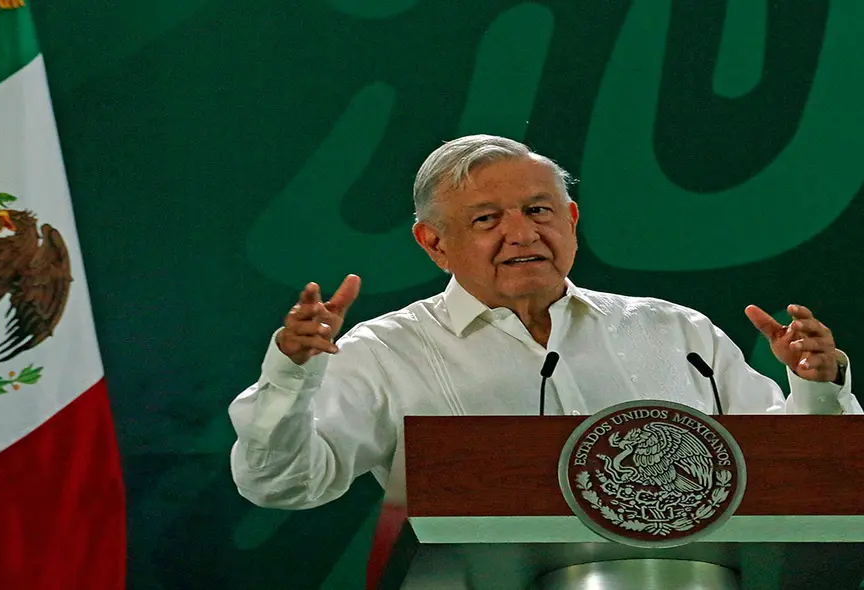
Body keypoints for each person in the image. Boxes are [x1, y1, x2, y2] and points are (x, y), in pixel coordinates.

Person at [228, 134, 860, 511]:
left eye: (538, 210)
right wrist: (291, 381)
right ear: (433, 243)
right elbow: (285, 483)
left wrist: (815, 387)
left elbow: (798, 471)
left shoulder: (675, 332)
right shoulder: (386, 351)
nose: (522, 233)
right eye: (486, 220)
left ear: (572, 219)